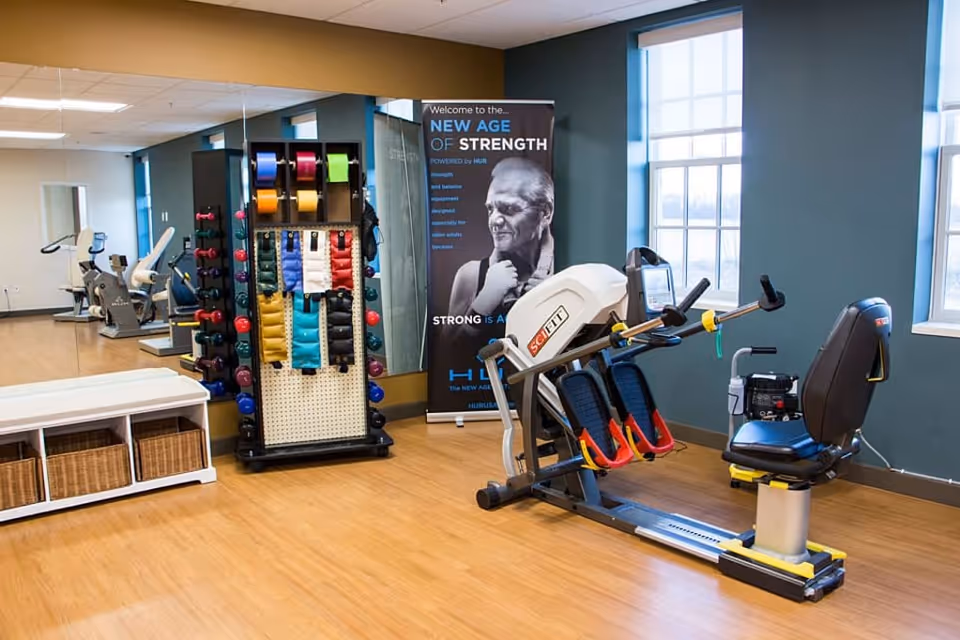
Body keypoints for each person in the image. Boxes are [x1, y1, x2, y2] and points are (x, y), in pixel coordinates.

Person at [443, 156, 555, 344]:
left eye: (509, 208)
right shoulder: (471, 275)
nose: (494, 220)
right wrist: (483, 301)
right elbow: (447, 350)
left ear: (545, 213)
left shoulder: (563, 274)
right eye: (490, 209)